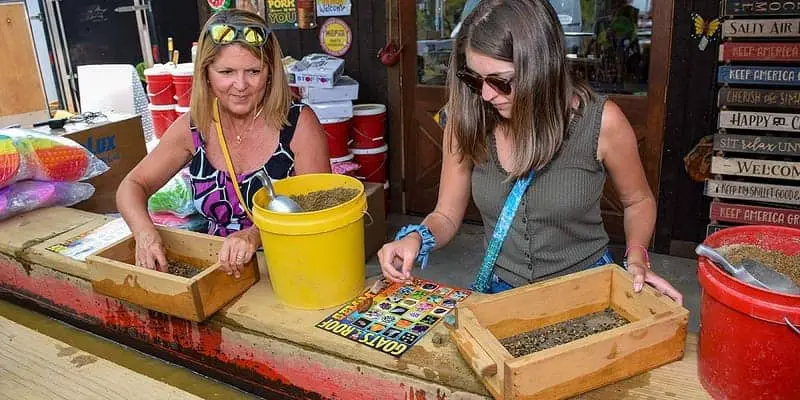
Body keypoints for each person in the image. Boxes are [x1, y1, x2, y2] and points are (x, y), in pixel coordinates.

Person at [378, 0, 682, 304]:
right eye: (474, 79)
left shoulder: (602, 122)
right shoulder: (466, 120)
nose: (485, 95)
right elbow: (445, 214)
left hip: (588, 288)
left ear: (543, 68)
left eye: (501, 81)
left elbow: (638, 201)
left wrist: (638, 257)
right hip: (501, 293)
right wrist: (416, 237)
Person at [117, 9, 330, 278]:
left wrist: (255, 235)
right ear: (206, 73)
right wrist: (145, 233)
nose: (240, 85)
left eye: (253, 71)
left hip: (290, 271)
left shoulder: (299, 124)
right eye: (226, 71)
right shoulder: (195, 125)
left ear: (270, 73)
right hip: (220, 274)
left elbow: (318, 209)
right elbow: (132, 186)